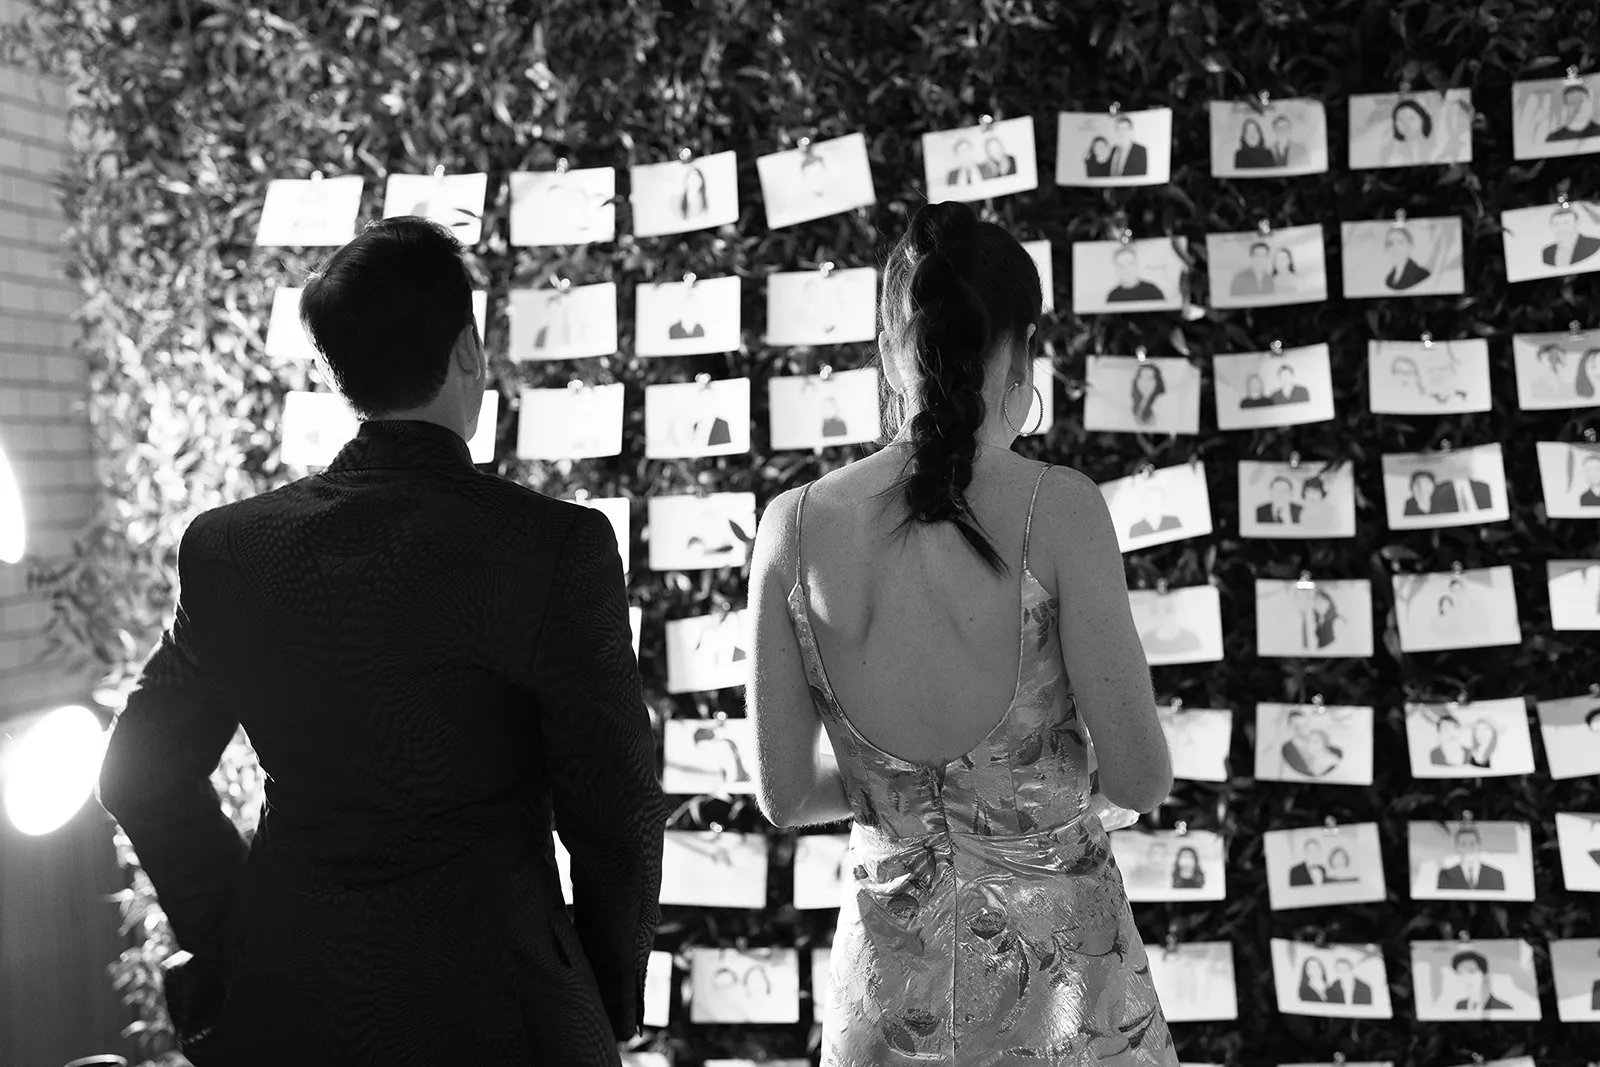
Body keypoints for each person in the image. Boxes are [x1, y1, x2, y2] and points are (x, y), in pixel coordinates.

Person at [95, 217, 665, 1066]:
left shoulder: (230, 547)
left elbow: (137, 772)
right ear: (469, 349)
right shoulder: (553, 547)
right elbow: (616, 808)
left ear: (338, 374)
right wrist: (606, 990)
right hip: (503, 1004)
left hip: (289, 1004)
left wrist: (235, 929)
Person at [746, 200, 1175, 1062]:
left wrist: (895, 796)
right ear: (1018, 348)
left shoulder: (793, 526)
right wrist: (1035, 790)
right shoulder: (1059, 509)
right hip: (1064, 998)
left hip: (885, 1000)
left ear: (889, 351)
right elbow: (1140, 773)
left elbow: (784, 793)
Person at [1438, 826, 1506, 891]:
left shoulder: (1496, 875)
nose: (1468, 849)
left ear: (1479, 845)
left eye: (1472, 844)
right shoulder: (1444, 876)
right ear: (1456, 847)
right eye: (1462, 844)